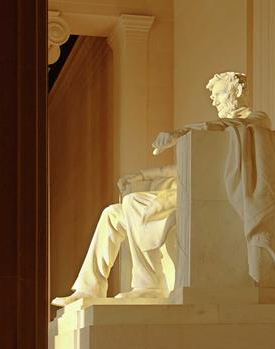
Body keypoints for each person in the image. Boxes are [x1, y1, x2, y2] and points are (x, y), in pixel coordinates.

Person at [51, 72, 257, 306]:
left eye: (218, 94)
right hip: (190, 192)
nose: (214, 100)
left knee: (134, 202)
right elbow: (179, 170)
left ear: (236, 92)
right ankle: (88, 288)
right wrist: (141, 175)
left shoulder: (252, 122)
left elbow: (227, 126)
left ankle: (148, 285)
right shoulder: (219, 130)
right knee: (112, 214)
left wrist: (181, 132)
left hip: (210, 197)